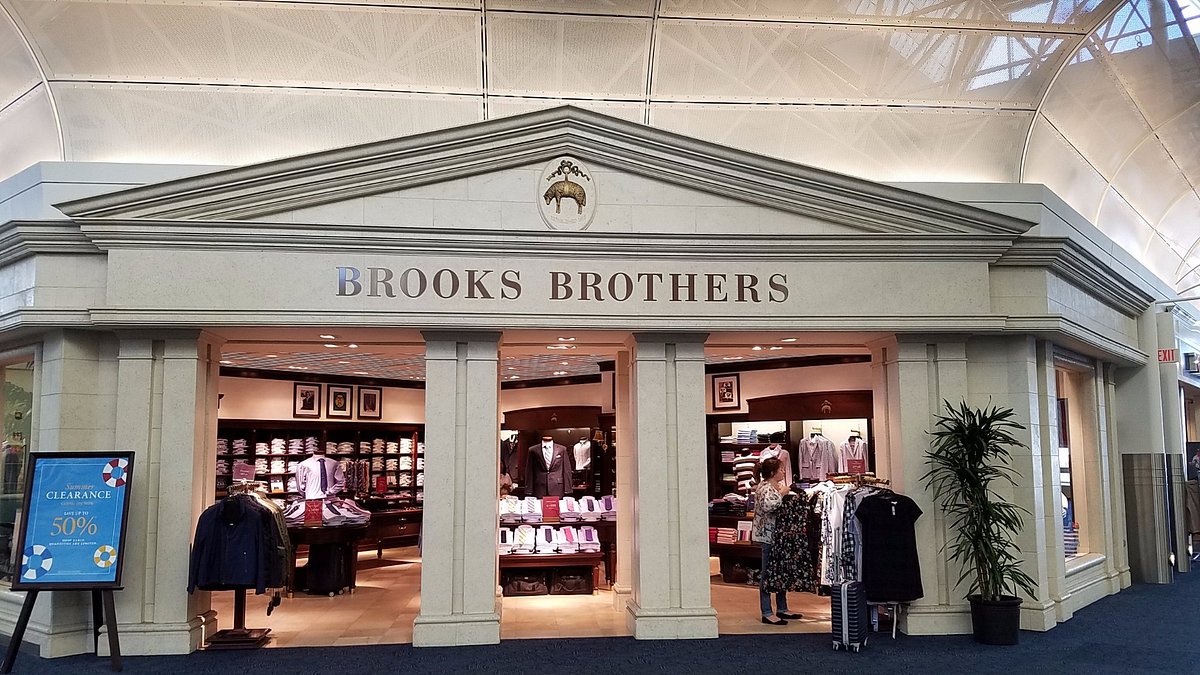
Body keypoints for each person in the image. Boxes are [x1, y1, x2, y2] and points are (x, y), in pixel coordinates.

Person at [752, 457, 802, 625]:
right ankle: (766, 611)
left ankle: (782, 608)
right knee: (767, 573)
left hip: (779, 536)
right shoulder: (765, 487)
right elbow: (769, 506)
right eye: (781, 469)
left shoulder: (776, 486)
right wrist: (783, 493)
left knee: (780, 571)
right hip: (768, 536)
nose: (783, 472)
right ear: (773, 472)